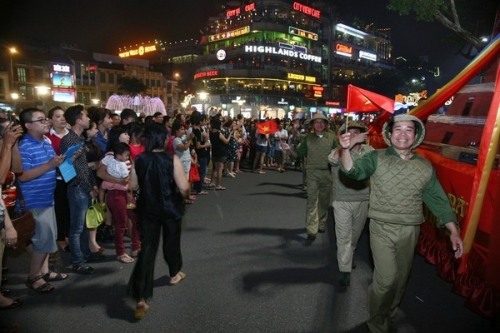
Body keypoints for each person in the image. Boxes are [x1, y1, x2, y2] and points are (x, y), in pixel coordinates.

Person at [338, 114, 463, 333]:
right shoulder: (376, 157)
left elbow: (438, 199)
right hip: (381, 227)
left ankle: (390, 314)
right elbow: (354, 172)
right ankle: (377, 322)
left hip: (410, 229)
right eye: (398, 129)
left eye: (408, 130)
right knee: (386, 280)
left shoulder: (425, 166)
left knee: (401, 280)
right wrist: (346, 150)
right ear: (389, 133)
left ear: (416, 135)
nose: (403, 134)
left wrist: (453, 230)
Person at [126, 123, 190, 320]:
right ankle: (174, 274)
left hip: (148, 210)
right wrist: (186, 194)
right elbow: (183, 186)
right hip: (170, 209)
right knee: (172, 240)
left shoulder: (140, 159)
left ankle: (141, 298)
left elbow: (133, 185)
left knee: (147, 250)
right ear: (162, 139)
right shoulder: (172, 159)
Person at [18, 108, 68, 291]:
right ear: (28, 125)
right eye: (40, 120)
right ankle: (34, 277)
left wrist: (61, 161)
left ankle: (45, 271)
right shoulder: (24, 146)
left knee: (46, 240)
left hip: (48, 198)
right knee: (42, 241)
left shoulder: (46, 142)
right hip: (35, 200)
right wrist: (50, 164)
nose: (45, 123)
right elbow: (22, 176)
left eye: (45, 119)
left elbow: (50, 166)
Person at [328, 121, 373, 286]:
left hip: (363, 200)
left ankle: (348, 256)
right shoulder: (338, 151)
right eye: (350, 132)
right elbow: (332, 160)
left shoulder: (370, 151)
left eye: (357, 132)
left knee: (354, 236)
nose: (353, 135)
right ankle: (345, 270)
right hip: (342, 202)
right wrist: (349, 144)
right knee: (343, 237)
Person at [60, 105, 103, 275]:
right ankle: (78, 261)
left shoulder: (78, 139)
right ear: (78, 120)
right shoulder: (69, 140)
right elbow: (73, 170)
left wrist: (92, 184)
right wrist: (89, 187)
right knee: (77, 227)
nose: (88, 119)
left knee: (84, 225)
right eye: (85, 116)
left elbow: (84, 167)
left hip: (83, 187)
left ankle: (85, 254)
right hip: (77, 188)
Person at [288, 113, 339, 244]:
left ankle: (321, 223)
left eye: (322, 122)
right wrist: (289, 149)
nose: (319, 124)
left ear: (326, 124)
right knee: (312, 200)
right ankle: (311, 229)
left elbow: (338, 155)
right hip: (312, 173)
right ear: (312, 125)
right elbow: (298, 155)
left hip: (327, 173)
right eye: (316, 122)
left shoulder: (332, 138)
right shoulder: (308, 139)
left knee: (324, 201)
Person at [0, 119, 23, 309]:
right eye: (10, 129)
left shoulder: (8, 147)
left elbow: (17, 169)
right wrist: (7, 145)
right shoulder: (4, 147)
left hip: (9, 204)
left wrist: (11, 146)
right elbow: (0, 178)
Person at [46, 106, 71, 253]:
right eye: (57, 116)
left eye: (63, 116)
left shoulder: (71, 134)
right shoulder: (47, 137)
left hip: (72, 175)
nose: (62, 119)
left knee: (70, 208)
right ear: (51, 120)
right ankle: (61, 237)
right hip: (56, 177)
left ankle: (69, 234)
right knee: (60, 208)